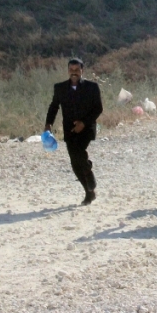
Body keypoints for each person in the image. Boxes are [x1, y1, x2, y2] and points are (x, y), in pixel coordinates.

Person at [45, 58, 104, 206]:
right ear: (67, 71)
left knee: (79, 154)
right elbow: (54, 107)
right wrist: (48, 125)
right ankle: (89, 193)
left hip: (87, 128)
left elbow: (98, 109)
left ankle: (88, 170)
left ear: (82, 71)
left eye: (77, 70)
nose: (74, 73)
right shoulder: (60, 88)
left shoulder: (92, 87)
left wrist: (83, 123)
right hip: (69, 130)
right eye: (71, 70)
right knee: (74, 163)